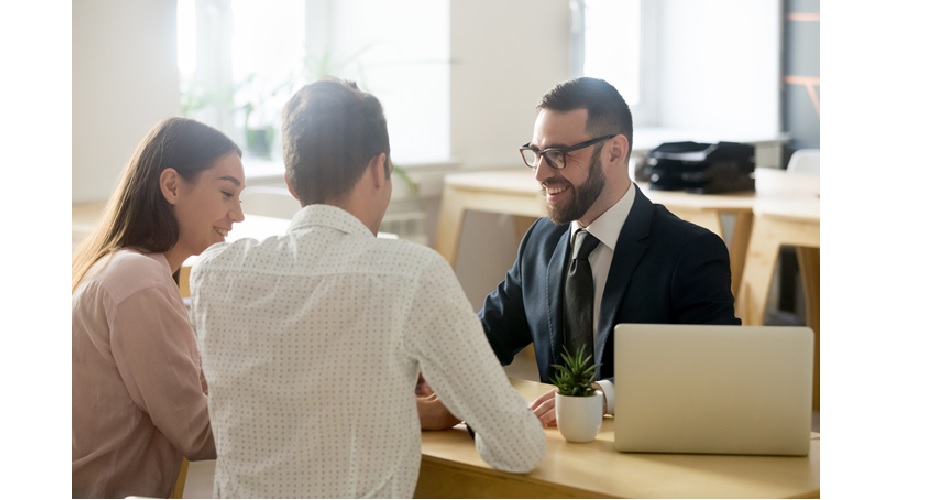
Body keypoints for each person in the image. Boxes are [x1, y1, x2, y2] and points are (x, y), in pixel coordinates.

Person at [189, 77, 545, 498]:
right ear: (380, 169)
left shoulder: (214, 272)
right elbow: (518, 447)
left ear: (291, 183)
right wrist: (446, 406)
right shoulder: (413, 275)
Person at [476, 76, 742, 426]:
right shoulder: (540, 242)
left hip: (648, 455)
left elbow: (714, 367)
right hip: (554, 454)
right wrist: (427, 376)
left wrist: (602, 396)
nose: (540, 173)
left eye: (558, 155)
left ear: (615, 151)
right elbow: (483, 339)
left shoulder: (690, 252)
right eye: (537, 154)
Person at [72, 117, 245, 498]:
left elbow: (193, 388)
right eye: (227, 194)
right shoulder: (138, 282)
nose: (238, 214)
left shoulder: (127, 269)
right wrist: (308, 402)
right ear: (171, 186)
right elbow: (199, 434)